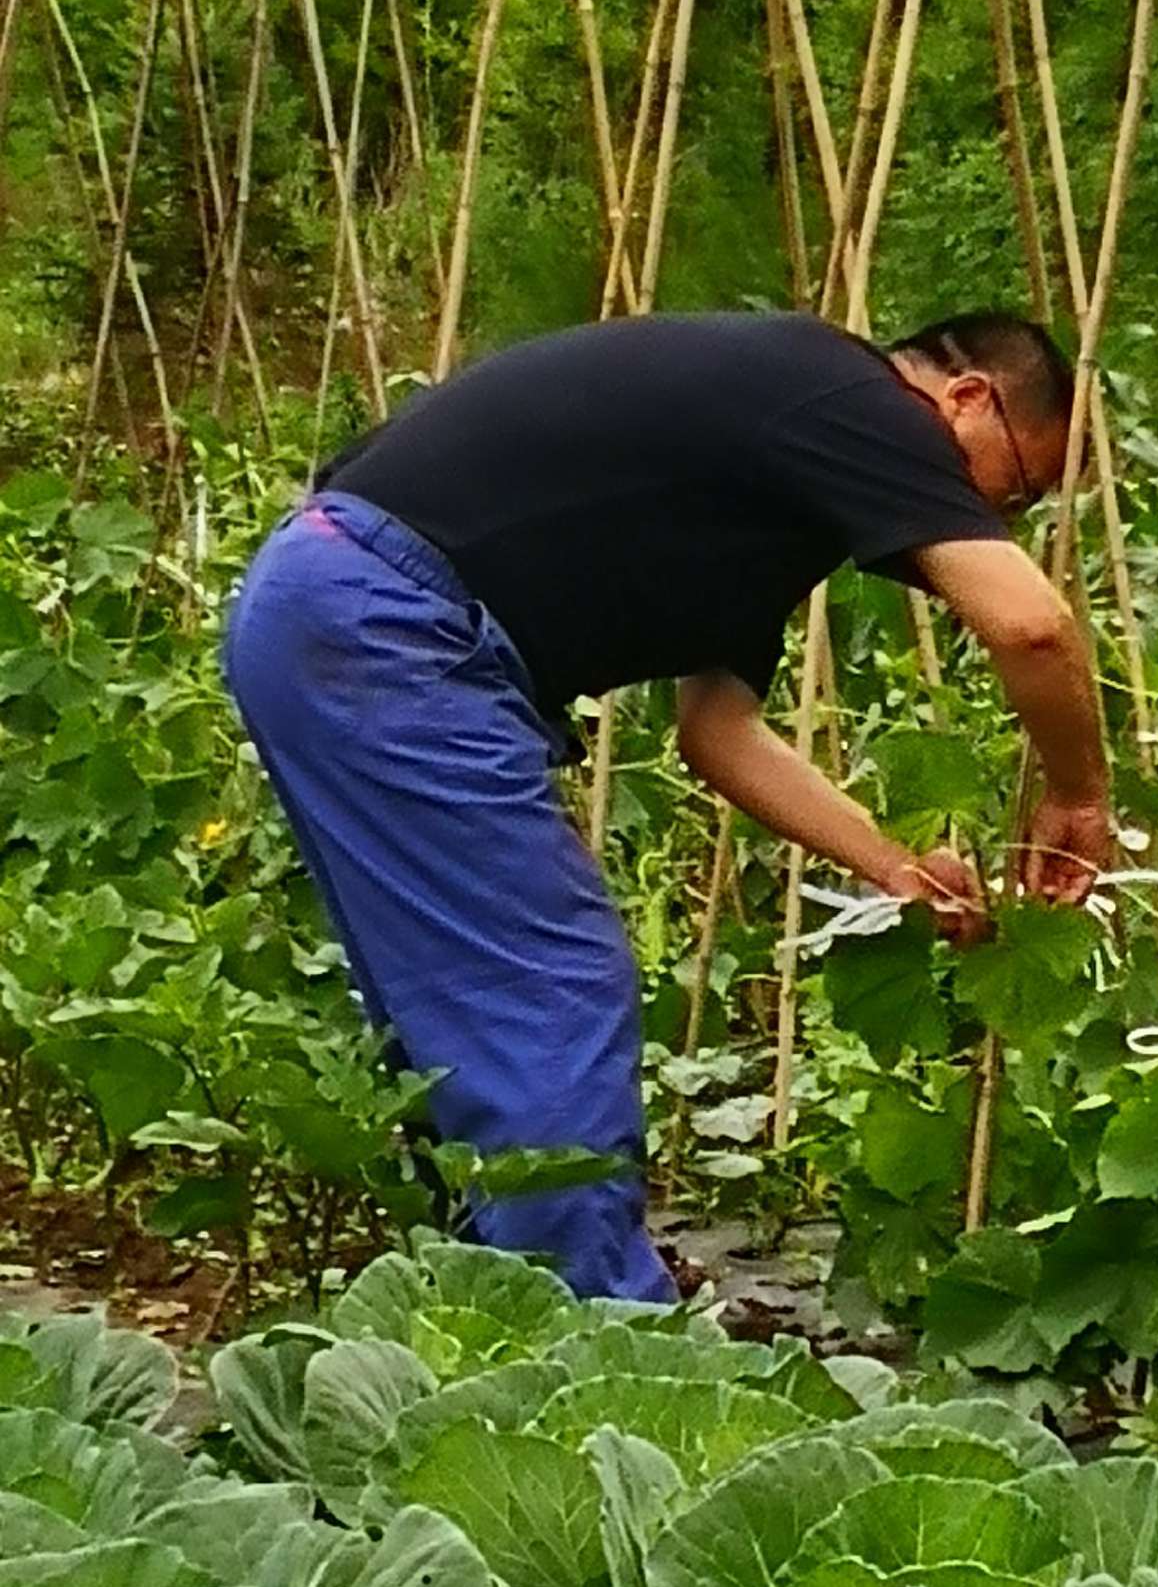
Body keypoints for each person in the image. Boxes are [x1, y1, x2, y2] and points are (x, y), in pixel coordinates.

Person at [221, 309, 1112, 1304]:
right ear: (966, 399)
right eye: (1018, 486)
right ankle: (592, 1329)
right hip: (383, 621)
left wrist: (889, 864)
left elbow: (718, 734)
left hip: (328, 601)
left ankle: (492, 1304)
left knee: (459, 1007)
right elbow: (1030, 625)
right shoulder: (857, 401)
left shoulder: (780, 477)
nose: (999, 514)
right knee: (549, 982)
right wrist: (1078, 795)